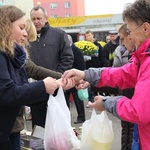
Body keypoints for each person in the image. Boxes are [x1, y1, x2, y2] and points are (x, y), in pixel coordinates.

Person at [62, 0, 150, 149]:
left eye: (129, 31)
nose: (129, 37)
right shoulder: (144, 57)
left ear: (145, 28)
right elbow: (124, 74)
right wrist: (85, 74)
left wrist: (107, 102)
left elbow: (137, 111)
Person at [0, 5, 72, 150]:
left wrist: (56, 84)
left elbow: (22, 89)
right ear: (5, 27)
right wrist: (43, 86)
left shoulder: (13, 56)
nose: (26, 34)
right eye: (21, 28)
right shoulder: (3, 56)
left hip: (12, 126)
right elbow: (7, 93)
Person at [9, 18, 63, 150]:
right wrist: (46, 85)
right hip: (10, 123)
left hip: (15, 119)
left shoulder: (17, 54)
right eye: (22, 30)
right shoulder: (9, 56)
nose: (26, 41)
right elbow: (12, 91)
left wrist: (60, 79)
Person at [29, 6, 74, 128]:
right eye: (33, 19)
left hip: (56, 88)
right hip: (36, 88)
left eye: (39, 18)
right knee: (39, 126)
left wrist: (57, 79)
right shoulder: (27, 37)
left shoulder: (58, 34)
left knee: (58, 125)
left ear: (46, 18)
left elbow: (67, 58)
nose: (36, 21)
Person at [113, 23, 134, 150]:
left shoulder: (139, 57)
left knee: (132, 131)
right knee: (126, 129)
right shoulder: (121, 51)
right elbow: (115, 75)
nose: (121, 42)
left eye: (122, 38)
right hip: (124, 97)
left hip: (131, 101)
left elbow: (123, 76)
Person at [65, 34, 86, 124]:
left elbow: (81, 65)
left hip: (75, 78)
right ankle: (66, 118)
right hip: (66, 79)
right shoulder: (64, 50)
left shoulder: (76, 50)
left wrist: (81, 78)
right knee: (65, 100)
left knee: (78, 100)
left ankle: (81, 117)